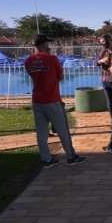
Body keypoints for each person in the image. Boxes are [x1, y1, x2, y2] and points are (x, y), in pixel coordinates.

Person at [24, 34, 85, 168]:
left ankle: (46, 160)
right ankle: (71, 156)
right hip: (52, 100)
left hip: (37, 101)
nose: (49, 45)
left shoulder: (28, 61)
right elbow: (60, 77)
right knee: (63, 130)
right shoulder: (52, 59)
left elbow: (35, 76)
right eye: (47, 43)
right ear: (43, 44)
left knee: (41, 132)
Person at [96, 34, 112, 119]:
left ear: (110, 41)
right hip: (105, 80)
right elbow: (96, 62)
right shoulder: (103, 51)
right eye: (101, 43)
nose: (103, 45)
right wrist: (101, 60)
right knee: (109, 103)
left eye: (104, 42)